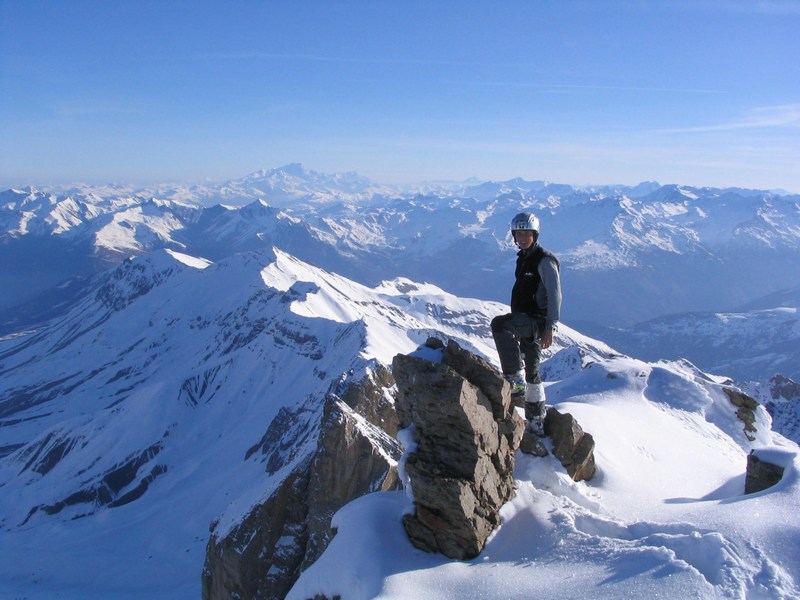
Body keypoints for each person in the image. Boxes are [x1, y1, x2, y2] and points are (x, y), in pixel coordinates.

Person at [491, 212, 561, 437]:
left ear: (535, 234)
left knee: (499, 325)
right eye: (518, 233)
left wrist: (550, 326)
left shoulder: (544, 260)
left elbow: (555, 293)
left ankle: (513, 376)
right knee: (534, 371)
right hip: (526, 318)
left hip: (535, 320)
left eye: (526, 233)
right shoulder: (523, 257)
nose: (522, 237)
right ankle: (537, 420)